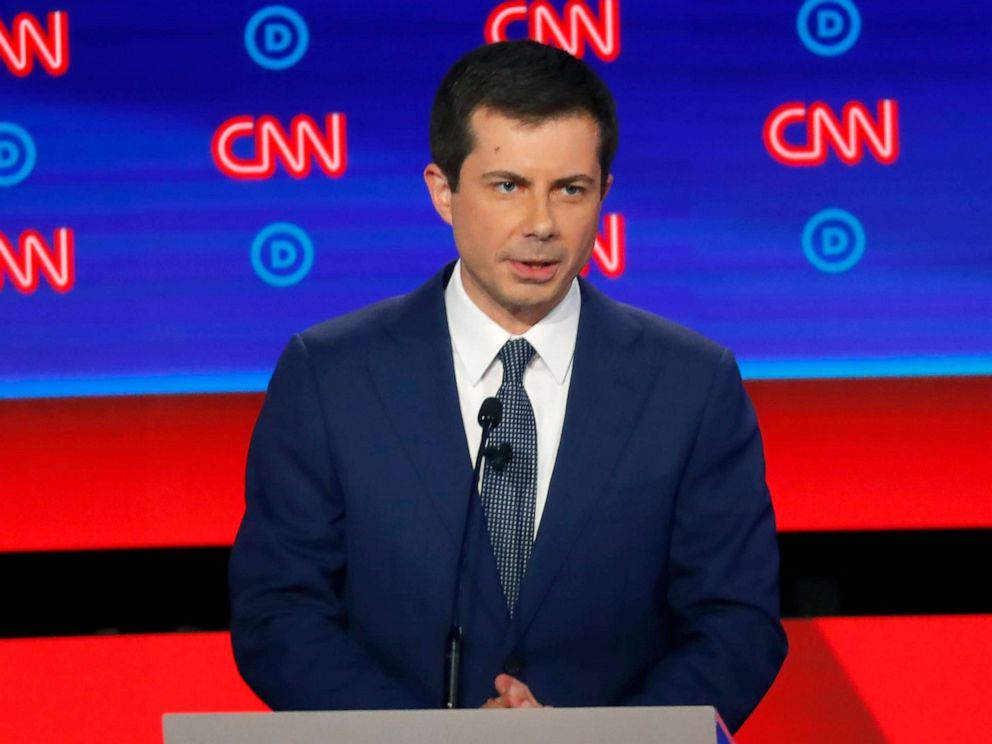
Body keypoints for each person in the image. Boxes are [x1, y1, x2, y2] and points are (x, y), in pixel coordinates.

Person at [228, 40, 786, 732]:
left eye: (570, 189)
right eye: (508, 185)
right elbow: (278, 613)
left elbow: (737, 624)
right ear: (442, 191)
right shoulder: (330, 374)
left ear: (604, 194)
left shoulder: (692, 384)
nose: (542, 225)